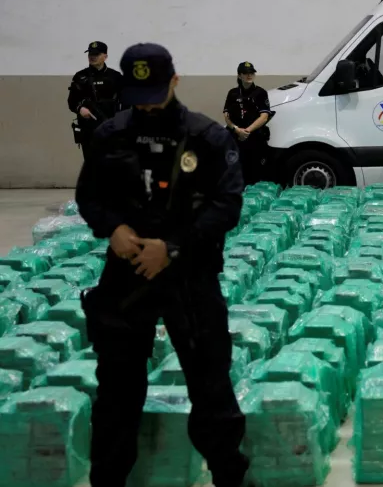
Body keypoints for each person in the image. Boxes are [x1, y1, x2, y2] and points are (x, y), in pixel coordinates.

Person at [76, 43, 249, 487]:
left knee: (211, 388)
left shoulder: (206, 137)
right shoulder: (110, 134)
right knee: (116, 393)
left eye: (155, 91)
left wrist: (171, 247)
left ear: (174, 81)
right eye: (138, 95)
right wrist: (112, 227)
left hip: (189, 278)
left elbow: (226, 205)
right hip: (127, 275)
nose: (147, 103)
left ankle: (229, 476)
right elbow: (89, 195)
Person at [68, 41, 123, 156]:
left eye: (96, 54)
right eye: (90, 54)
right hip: (89, 129)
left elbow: (126, 100)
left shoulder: (115, 76)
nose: (92, 57)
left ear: (105, 56)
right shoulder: (81, 76)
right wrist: (80, 109)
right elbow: (72, 102)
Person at [223, 61, 272, 185]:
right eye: (245, 73)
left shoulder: (260, 93)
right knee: (235, 171)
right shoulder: (232, 93)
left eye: (251, 73)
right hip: (236, 137)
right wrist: (236, 129)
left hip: (254, 138)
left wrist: (247, 131)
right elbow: (226, 115)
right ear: (239, 76)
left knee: (255, 173)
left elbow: (264, 116)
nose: (249, 76)